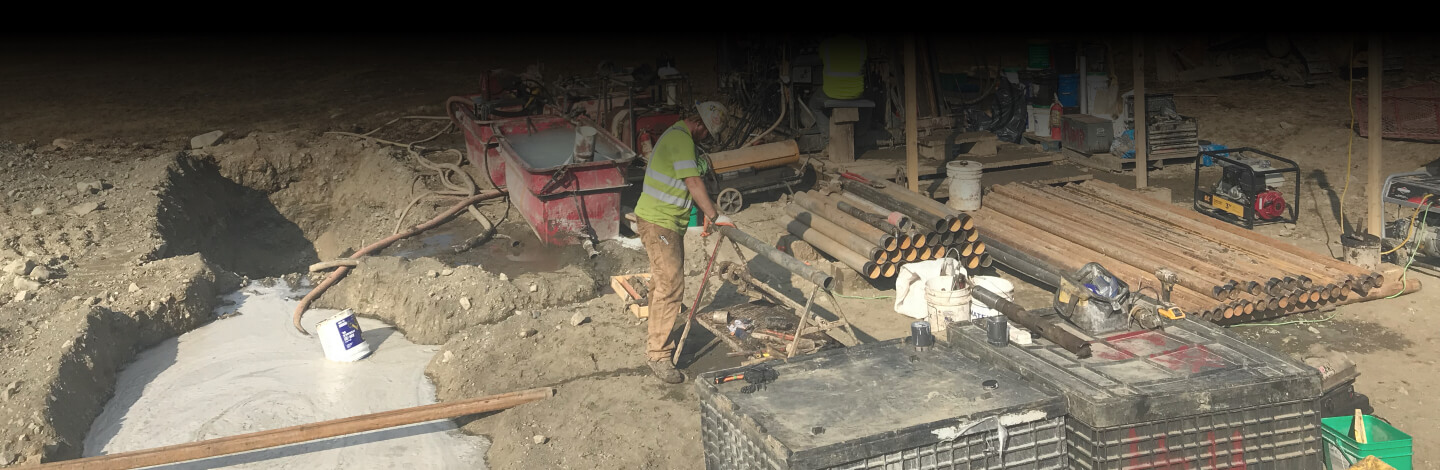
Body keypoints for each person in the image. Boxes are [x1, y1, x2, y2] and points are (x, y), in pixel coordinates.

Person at [634, 102, 733, 384]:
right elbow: (692, 182)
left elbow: (687, 184)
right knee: (671, 285)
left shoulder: (675, 135)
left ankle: (656, 338)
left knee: (661, 282)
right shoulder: (680, 140)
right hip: (659, 222)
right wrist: (715, 216)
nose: (705, 139)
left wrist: (702, 213)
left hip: (662, 220)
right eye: (707, 134)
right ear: (701, 124)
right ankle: (658, 355)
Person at [806, 34, 867, 138]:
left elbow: (819, 58)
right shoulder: (862, 45)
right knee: (869, 96)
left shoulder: (826, 45)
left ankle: (828, 138)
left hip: (831, 93)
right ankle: (860, 133)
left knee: (813, 105)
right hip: (856, 93)